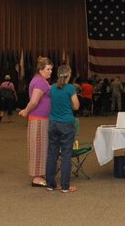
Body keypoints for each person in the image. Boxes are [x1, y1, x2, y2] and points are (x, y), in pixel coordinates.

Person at [18, 57, 53, 187]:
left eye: (51, 69)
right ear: (40, 69)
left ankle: (39, 174)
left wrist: (25, 110)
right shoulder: (40, 82)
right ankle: (37, 178)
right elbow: (34, 101)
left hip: (42, 119)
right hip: (39, 120)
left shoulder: (41, 81)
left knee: (41, 147)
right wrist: (26, 111)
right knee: (38, 147)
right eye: (48, 69)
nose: (50, 72)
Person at [45, 65, 79, 193]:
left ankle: (50, 184)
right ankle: (65, 186)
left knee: (52, 154)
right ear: (68, 75)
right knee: (66, 155)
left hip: (53, 123)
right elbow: (76, 106)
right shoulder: (70, 88)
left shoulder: (52, 87)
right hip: (66, 124)